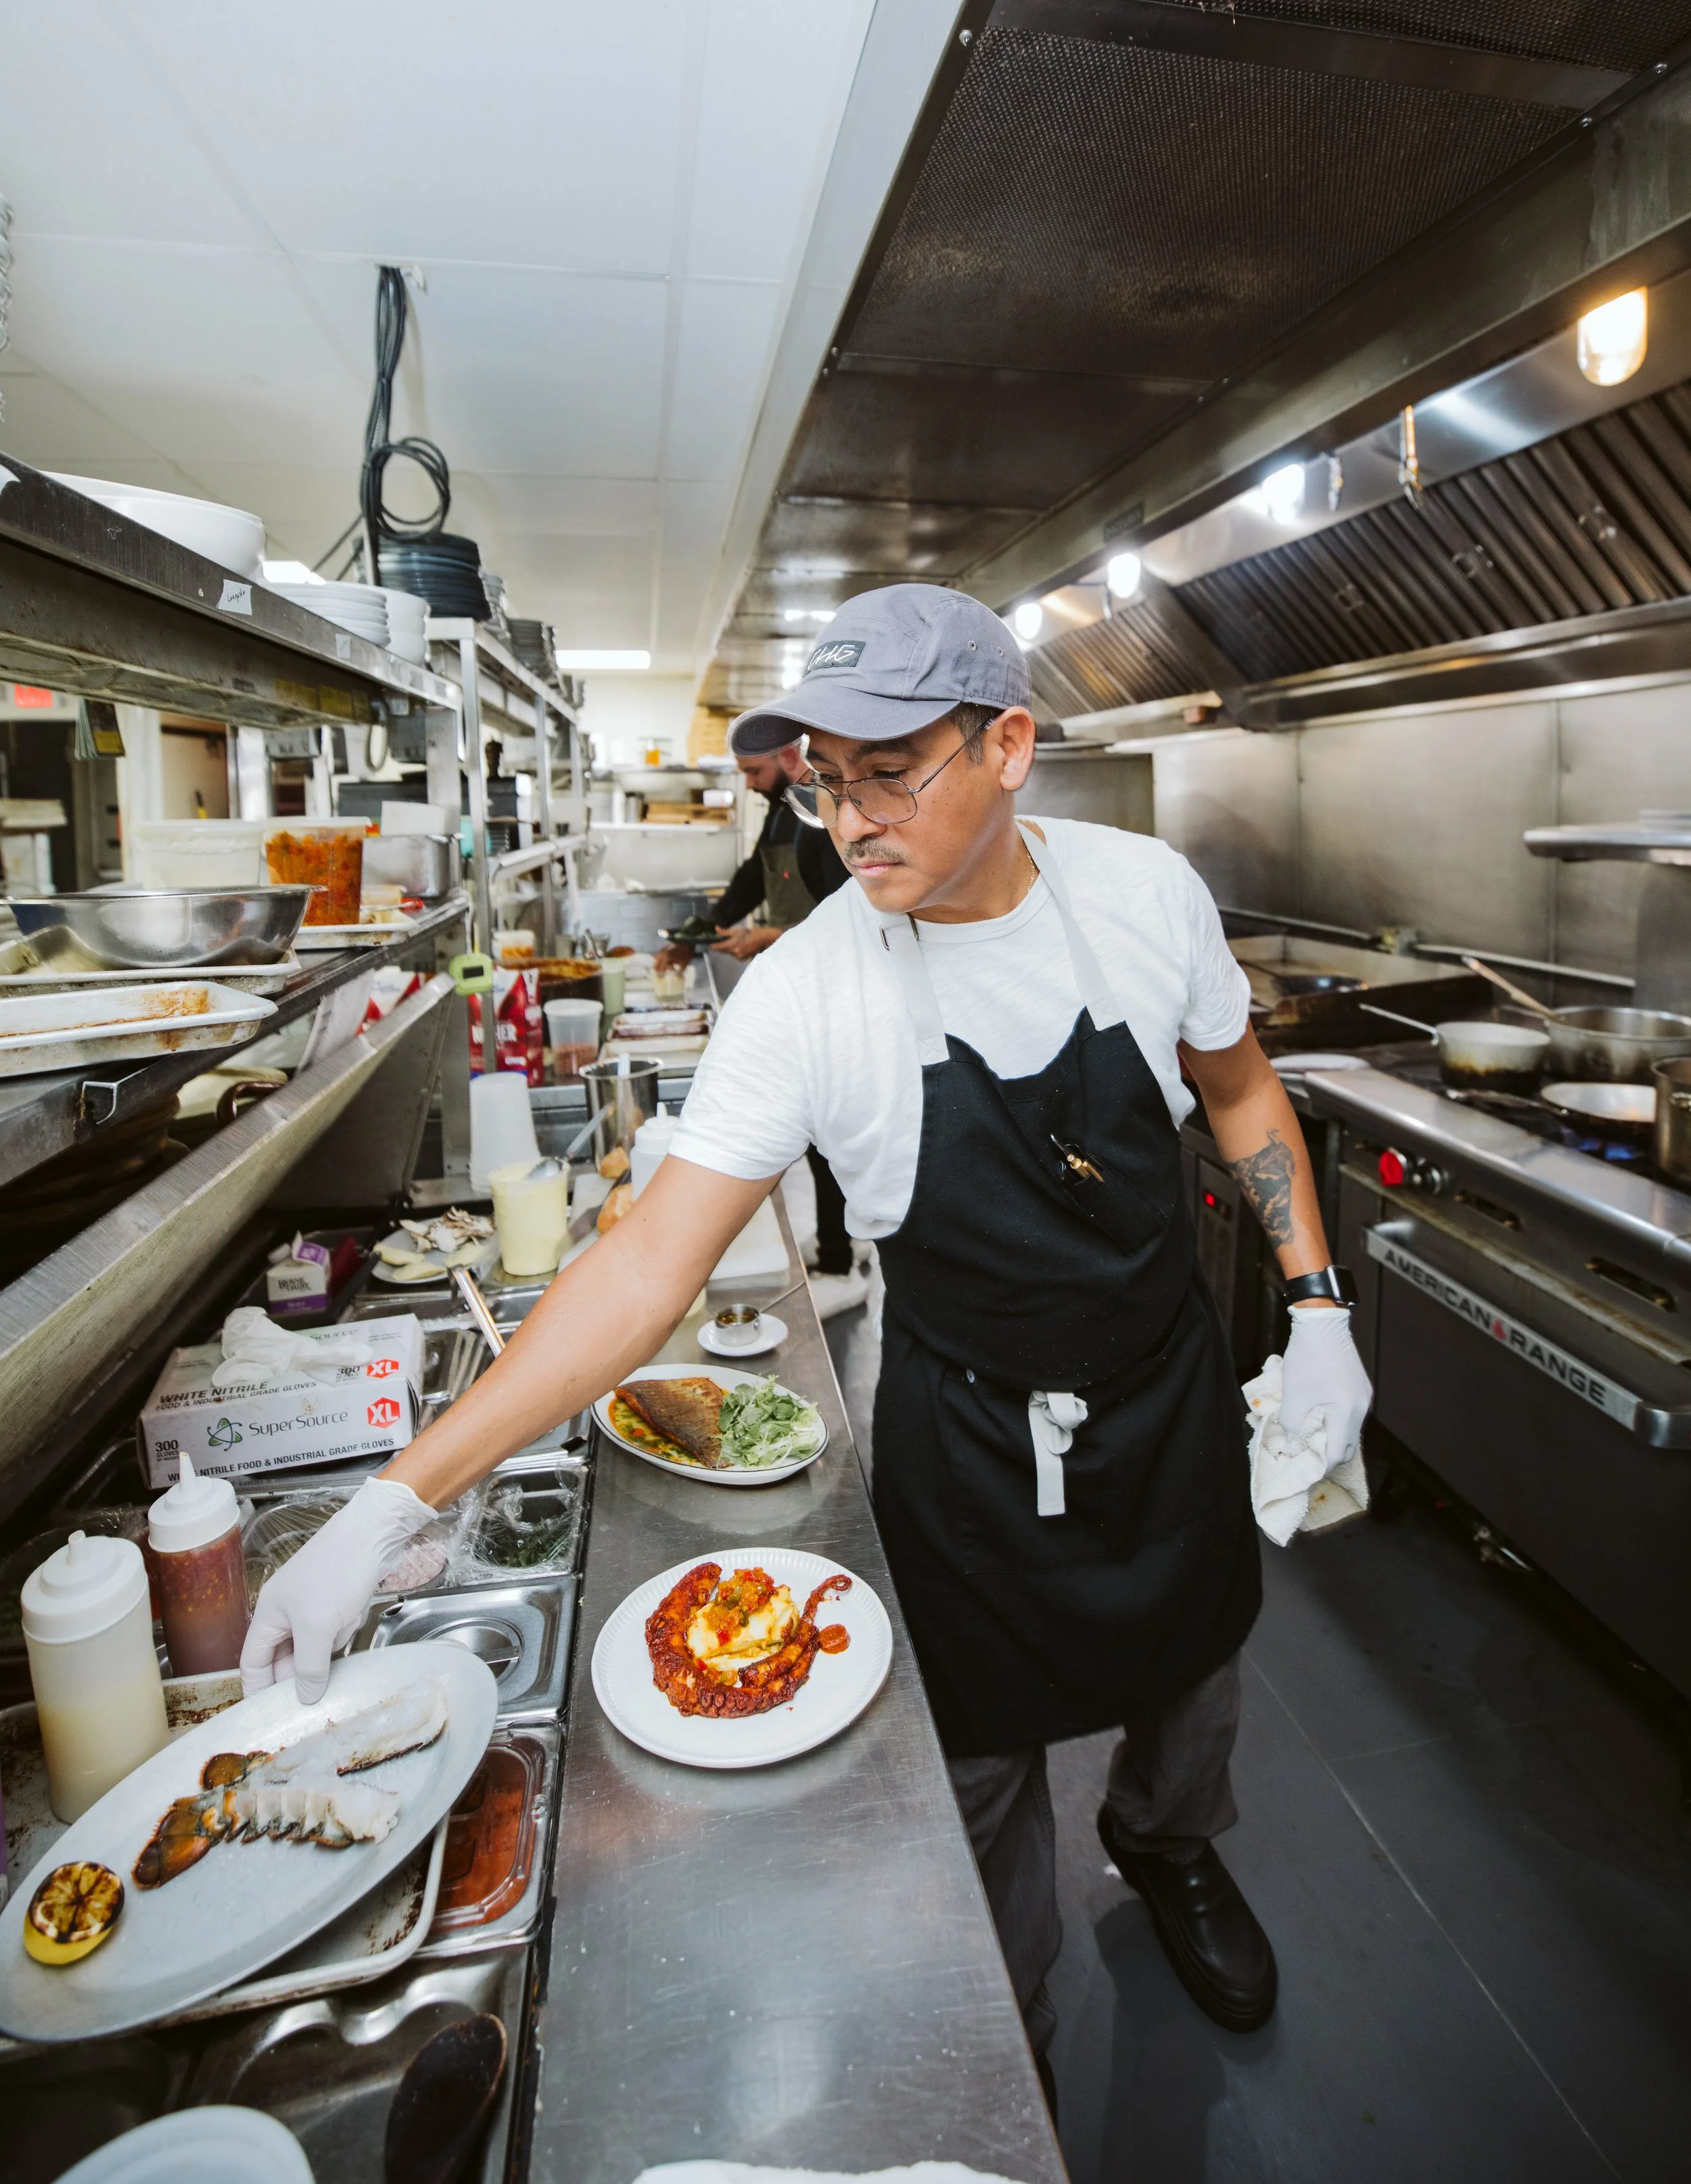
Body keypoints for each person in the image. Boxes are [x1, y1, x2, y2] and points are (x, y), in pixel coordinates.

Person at [243, 583, 1371, 2074]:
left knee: (1195, 1662)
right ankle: (1008, 2005)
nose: (850, 819)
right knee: (973, 1757)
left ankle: (1166, 1846)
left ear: (1010, 746)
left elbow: (1233, 1091)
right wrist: (399, 1491)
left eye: (888, 772)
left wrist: (1315, 1304)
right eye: (825, 780)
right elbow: (645, 1268)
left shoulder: (1145, 895)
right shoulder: (806, 995)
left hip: (1162, 1388)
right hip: (964, 1431)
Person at [655, 742, 865, 1315]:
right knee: (818, 1128)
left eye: (753, 770)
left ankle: (843, 1261)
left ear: (786, 755)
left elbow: (850, 907)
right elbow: (754, 878)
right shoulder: (785, 808)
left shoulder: (828, 812)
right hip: (806, 983)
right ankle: (840, 1240)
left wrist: (771, 940)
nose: (748, 782)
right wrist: (697, 934)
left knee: (830, 1131)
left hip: (838, 987)